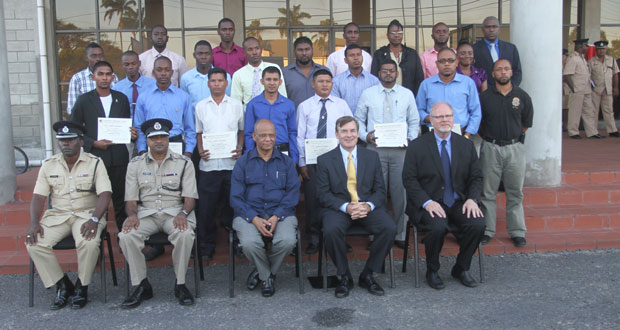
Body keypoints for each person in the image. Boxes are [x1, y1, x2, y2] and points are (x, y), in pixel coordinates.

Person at [25, 121, 112, 310]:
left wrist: (95, 219)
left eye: (70, 140)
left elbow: (105, 194)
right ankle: (62, 284)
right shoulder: (48, 165)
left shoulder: (95, 163)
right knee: (34, 242)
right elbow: (39, 197)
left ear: (81, 142)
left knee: (88, 242)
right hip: (58, 215)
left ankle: (82, 286)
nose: (66, 144)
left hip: (87, 215)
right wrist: (34, 223)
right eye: (62, 140)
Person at [402, 102, 485, 290]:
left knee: (478, 224)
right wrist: (426, 202)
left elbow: (476, 177)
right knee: (437, 226)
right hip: (429, 202)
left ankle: (461, 268)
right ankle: (432, 269)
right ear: (431, 120)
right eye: (439, 117)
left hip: (458, 201)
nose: (444, 120)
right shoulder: (417, 146)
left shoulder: (465, 145)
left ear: (453, 118)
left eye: (448, 116)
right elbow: (409, 179)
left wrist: (472, 199)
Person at [119, 118, 198, 308]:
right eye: (154, 138)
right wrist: (131, 215)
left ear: (169, 138)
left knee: (184, 234)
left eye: (163, 136)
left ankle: (180, 284)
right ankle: (141, 285)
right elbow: (130, 201)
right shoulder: (135, 165)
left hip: (175, 212)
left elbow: (190, 199)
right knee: (126, 236)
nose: (159, 141)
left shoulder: (184, 163)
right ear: (147, 140)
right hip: (146, 213)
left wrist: (183, 213)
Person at [316, 116, 396, 298]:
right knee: (330, 229)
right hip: (340, 208)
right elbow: (322, 194)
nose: (349, 135)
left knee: (389, 227)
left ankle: (368, 274)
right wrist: (346, 207)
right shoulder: (325, 160)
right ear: (336, 134)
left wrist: (367, 206)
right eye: (344, 131)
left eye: (352, 131)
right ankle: (344, 275)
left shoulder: (372, 156)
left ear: (358, 133)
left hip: (366, 206)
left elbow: (380, 190)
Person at [133, 56, 195, 260]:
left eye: (167, 70)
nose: (163, 73)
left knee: (182, 191)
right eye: (159, 69)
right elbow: (140, 127)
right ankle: (156, 240)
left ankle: (186, 238)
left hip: (177, 145)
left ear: (172, 72)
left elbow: (190, 128)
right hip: (151, 149)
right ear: (153, 72)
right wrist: (142, 152)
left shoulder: (183, 96)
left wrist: (188, 153)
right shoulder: (143, 96)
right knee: (152, 189)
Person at [230, 119, 300, 297]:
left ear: (276, 136)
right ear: (254, 137)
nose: (267, 139)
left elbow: (292, 194)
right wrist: (253, 217)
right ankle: (267, 276)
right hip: (248, 213)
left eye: (271, 135)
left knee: (287, 241)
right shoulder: (243, 163)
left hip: (281, 213)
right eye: (263, 135)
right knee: (248, 243)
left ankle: (263, 273)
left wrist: (276, 215)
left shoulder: (286, 162)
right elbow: (235, 197)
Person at [355, 59, 419, 248]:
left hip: (401, 150)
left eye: (392, 71)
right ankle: (376, 233)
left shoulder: (407, 94)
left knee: (401, 193)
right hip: (375, 151)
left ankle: (400, 234)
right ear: (379, 73)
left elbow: (414, 121)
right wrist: (365, 136)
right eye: (385, 71)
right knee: (375, 193)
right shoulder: (368, 94)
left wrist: (410, 138)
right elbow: (358, 119)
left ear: (396, 73)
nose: (388, 74)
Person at [70, 61, 137, 232]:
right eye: (101, 74)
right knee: (98, 202)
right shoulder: (84, 100)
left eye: (108, 74)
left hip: (119, 158)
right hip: (96, 159)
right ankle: (98, 239)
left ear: (113, 77)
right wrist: (93, 143)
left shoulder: (121, 99)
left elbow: (124, 127)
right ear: (93, 76)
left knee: (121, 201)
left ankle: (124, 239)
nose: (104, 78)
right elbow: (75, 131)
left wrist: (131, 134)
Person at [478, 59, 533, 248]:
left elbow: (526, 123)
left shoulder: (522, 96)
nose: (503, 72)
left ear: (511, 72)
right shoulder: (485, 97)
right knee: (487, 192)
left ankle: (517, 231)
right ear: (492, 74)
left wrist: (512, 138)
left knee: (515, 192)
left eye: (506, 69)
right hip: (490, 148)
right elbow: (480, 124)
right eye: (499, 69)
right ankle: (487, 230)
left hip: (514, 149)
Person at [297, 69, 353, 254]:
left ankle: (339, 236)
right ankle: (313, 238)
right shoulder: (304, 106)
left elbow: (349, 131)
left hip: (337, 161)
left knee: (340, 197)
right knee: (313, 200)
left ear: (332, 84)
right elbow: (300, 136)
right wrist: (302, 162)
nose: (325, 84)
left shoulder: (341, 105)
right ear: (313, 84)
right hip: (313, 162)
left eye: (328, 81)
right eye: (320, 81)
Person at [194, 67, 244, 259]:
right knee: (206, 208)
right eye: (213, 81)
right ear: (208, 83)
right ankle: (207, 245)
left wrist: (240, 147)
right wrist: (200, 149)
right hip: (209, 166)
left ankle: (239, 241)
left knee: (235, 206)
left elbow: (241, 131)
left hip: (232, 165)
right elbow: (199, 132)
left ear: (226, 83)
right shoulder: (200, 106)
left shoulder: (236, 105)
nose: (216, 84)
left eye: (220, 80)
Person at [416, 48, 481, 138]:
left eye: (451, 60)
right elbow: (419, 110)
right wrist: (431, 119)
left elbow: (476, 112)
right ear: (437, 64)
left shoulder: (468, 83)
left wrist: (467, 134)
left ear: (456, 63)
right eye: (442, 61)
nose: (447, 64)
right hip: (433, 135)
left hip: (462, 135)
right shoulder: (426, 85)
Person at [244, 66, 298, 164]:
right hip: (259, 152)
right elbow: (249, 133)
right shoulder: (253, 104)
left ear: (280, 82)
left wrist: (294, 158)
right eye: (268, 79)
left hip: (283, 151)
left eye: (275, 79)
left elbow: (292, 133)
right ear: (262, 81)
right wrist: (249, 155)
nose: (272, 83)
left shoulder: (288, 104)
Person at [371, 19, 424, 96]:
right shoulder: (379, 54)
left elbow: (419, 79)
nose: (396, 35)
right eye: (393, 33)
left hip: (407, 97)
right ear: (387, 35)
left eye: (399, 33)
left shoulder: (412, 54)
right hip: (384, 97)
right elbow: (374, 78)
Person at [231, 37, 287, 109]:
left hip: (273, 114)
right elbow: (236, 103)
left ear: (261, 50)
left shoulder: (274, 68)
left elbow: (283, 95)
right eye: (250, 49)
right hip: (249, 116)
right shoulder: (238, 75)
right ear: (244, 53)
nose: (254, 52)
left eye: (257, 48)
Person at [564, 39, 603, 139]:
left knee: (589, 111)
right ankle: (573, 132)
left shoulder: (582, 58)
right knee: (575, 111)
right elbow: (567, 75)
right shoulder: (573, 58)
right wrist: (573, 89)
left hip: (586, 89)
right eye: (586, 46)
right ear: (580, 46)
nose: (587, 48)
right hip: (577, 89)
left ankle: (592, 132)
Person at [180, 40, 232, 112]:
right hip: (195, 121)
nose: (203, 57)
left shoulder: (225, 77)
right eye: (200, 54)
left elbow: (228, 100)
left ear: (212, 55)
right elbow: (185, 104)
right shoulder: (186, 78)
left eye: (207, 54)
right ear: (194, 55)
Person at [66, 42, 118, 114]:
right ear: (86, 58)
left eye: (100, 56)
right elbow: (72, 108)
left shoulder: (113, 77)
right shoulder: (77, 78)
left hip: (109, 122)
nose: (98, 59)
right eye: (94, 56)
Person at [473, 16, 522, 86]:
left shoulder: (511, 48)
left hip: (507, 92)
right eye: (488, 27)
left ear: (499, 29)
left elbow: (517, 71)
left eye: (494, 27)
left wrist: (510, 88)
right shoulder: (474, 49)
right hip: (484, 93)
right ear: (482, 29)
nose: (491, 30)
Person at [332, 44, 380, 115]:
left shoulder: (374, 81)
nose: (356, 58)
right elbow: (335, 106)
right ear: (345, 60)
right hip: (344, 122)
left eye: (358, 55)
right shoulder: (336, 82)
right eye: (351, 55)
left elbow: (377, 104)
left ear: (362, 58)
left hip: (367, 122)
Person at [283, 36, 329, 109]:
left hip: (319, 118)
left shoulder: (324, 71)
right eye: (300, 50)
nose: (304, 53)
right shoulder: (285, 73)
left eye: (307, 49)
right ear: (294, 51)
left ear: (312, 50)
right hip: (294, 118)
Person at [588, 40, 620, 137]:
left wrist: (615, 87)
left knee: (609, 110)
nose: (601, 51)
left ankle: (612, 130)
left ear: (605, 50)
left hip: (608, 89)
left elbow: (615, 74)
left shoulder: (611, 60)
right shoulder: (591, 61)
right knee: (594, 110)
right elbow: (588, 77)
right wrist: (591, 88)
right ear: (596, 50)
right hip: (596, 90)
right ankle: (593, 131)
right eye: (599, 49)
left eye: (603, 49)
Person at [113, 51, 156, 118]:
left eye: (133, 63)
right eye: (126, 64)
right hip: (125, 126)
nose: (130, 67)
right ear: (122, 66)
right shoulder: (117, 88)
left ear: (139, 63)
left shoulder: (153, 85)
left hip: (147, 125)